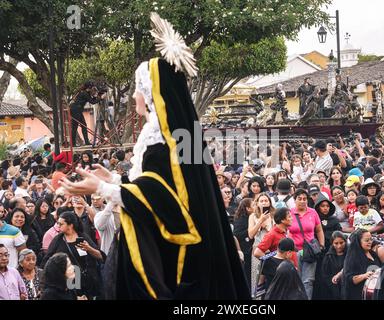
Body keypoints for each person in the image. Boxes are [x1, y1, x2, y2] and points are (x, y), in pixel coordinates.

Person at [60, 16, 250, 299]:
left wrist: (102, 189)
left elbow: (165, 198)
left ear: (151, 94)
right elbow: (153, 182)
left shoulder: (165, 139)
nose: (134, 94)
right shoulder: (160, 133)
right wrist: (115, 179)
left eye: (139, 87)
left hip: (172, 261)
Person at [42, 211, 104, 299]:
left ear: (70, 225)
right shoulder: (58, 239)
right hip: (67, 280)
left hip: (84, 280)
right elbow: (47, 259)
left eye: (61, 224)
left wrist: (89, 248)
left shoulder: (82, 237)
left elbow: (100, 256)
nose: (58, 226)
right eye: (57, 223)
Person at [289, 188, 325, 300]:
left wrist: (321, 245)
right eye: (299, 199)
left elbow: (319, 230)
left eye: (305, 199)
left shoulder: (312, 212)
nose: (302, 201)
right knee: (296, 279)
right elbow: (286, 231)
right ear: (295, 200)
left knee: (308, 280)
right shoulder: (289, 213)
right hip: (294, 251)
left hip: (310, 250)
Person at [342, 229, 381, 300]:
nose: (370, 242)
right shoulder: (352, 257)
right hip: (357, 295)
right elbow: (350, 279)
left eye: (371, 239)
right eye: (367, 240)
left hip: (373, 295)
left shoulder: (373, 254)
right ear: (358, 242)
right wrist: (364, 276)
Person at [70, 81, 104, 146]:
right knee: (80, 126)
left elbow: (92, 100)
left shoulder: (84, 92)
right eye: (92, 87)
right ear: (89, 87)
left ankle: (75, 143)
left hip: (75, 109)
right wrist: (99, 98)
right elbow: (92, 102)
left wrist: (97, 96)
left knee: (78, 127)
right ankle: (84, 142)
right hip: (76, 110)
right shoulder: (84, 93)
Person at [232, 198, 254, 289]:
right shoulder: (241, 219)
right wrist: (249, 231)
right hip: (245, 250)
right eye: (254, 205)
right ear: (248, 208)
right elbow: (237, 234)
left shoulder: (252, 217)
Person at [321, 231, 347, 300]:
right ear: (332, 243)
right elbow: (325, 275)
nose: (339, 246)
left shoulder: (350, 254)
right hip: (334, 289)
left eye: (341, 243)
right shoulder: (328, 257)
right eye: (336, 243)